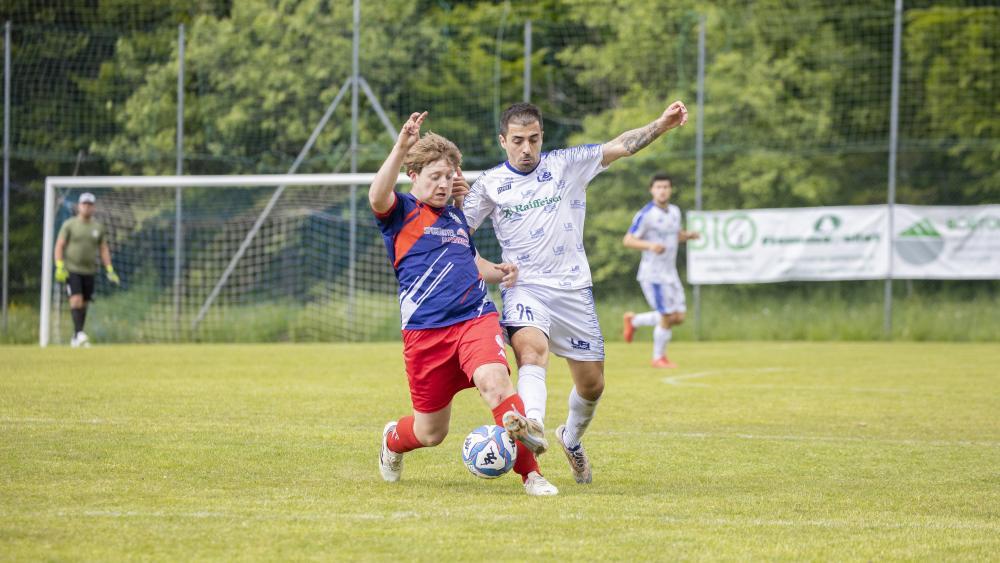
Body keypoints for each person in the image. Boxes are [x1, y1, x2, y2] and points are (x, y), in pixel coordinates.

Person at [462, 100, 688, 484]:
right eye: (518, 141)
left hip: (573, 289)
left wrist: (662, 125)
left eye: (533, 139)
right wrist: (488, 268)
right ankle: (531, 423)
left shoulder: (566, 164)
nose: (527, 148)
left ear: (542, 137)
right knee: (532, 350)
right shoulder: (488, 185)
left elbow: (620, 145)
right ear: (503, 141)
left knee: (592, 384)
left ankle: (570, 438)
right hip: (524, 286)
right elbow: (456, 234)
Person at [371, 111, 558, 496]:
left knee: (496, 383)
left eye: (449, 176)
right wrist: (401, 146)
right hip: (425, 335)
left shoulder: (456, 217)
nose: (443, 184)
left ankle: (532, 474)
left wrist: (499, 270)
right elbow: (376, 194)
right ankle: (392, 441)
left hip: (474, 319)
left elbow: (471, 263)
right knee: (430, 433)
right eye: (434, 176)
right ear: (414, 176)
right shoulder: (400, 213)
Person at [622, 174, 700, 368]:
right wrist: (650, 246)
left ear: (670, 189)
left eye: (666, 187)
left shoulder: (674, 211)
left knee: (678, 317)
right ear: (652, 190)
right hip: (653, 274)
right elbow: (628, 240)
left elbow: (674, 235)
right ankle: (658, 358)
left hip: (670, 273)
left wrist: (687, 236)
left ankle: (635, 321)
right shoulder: (646, 214)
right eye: (658, 187)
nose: (662, 190)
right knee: (665, 316)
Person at [53, 192, 120, 348]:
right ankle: (79, 334)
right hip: (72, 269)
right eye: (84, 204)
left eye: (90, 204)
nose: (87, 207)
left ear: (93, 207)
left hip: (89, 270)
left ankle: (77, 335)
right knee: (76, 299)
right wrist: (59, 265)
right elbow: (59, 245)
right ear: (79, 206)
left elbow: (103, 249)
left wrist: (109, 268)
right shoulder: (69, 225)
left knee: (84, 302)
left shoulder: (98, 227)